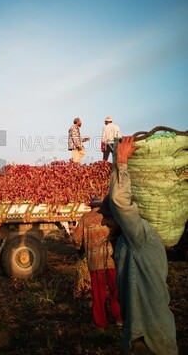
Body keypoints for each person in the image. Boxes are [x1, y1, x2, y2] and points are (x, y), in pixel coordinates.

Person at [99, 136, 178, 355]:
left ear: (118, 217)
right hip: (142, 334)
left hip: (150, 339)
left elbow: (119, 203)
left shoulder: (139, 236)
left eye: (107, 217)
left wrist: (121, 162)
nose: (103, 222)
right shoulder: (127, 239)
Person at [73, 197, 122, 331]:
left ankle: (101, 323)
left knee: (98, 293)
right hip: (112, 261)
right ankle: (119, 319)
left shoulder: (85, 218)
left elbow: (76, 239)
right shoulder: (110, 216)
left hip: (95, 263)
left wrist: (81, 248)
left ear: (90, 206)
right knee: (115, 290)